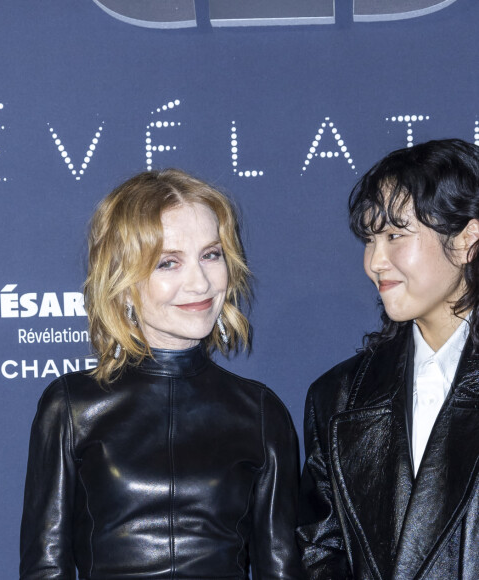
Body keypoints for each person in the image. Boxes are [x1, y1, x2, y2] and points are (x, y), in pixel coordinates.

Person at [20, 168, 303, 579]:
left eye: (211, 254)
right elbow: (46, 568)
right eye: (168, 263)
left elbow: (281, 569)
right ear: (123, 279)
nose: (200, 283)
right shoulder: (71, 407)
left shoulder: (260, 412)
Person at [296, 139, 479, 579]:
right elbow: (319, 551)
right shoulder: (337, 397)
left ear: (468, 240)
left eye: (396, 235)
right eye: (370, 239)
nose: (376, 261)